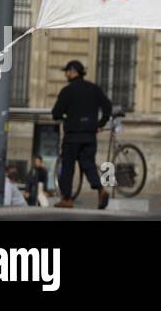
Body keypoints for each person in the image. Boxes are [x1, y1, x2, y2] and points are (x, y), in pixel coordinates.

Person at [50, 60, 113, 209]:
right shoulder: (94, 89)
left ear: (73, 71)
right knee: (89, 165)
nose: (66, 74)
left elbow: (56, 113)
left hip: (72, 136)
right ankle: (101, 189)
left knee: (68, 167)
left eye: (67, 71)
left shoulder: (67, 91)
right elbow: (107, 107)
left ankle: (67, 199)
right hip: (90, 135)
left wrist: (64, 116)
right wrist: (100, 124)